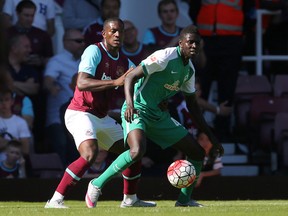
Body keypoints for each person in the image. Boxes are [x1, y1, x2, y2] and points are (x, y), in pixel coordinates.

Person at [85, 25, 224, 208]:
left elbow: (193, 106)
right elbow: (130, 77)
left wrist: (212, 137)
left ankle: (184, 201)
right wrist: (130, 104)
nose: (194, 46)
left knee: (197, 152)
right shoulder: (165, 56)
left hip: (159, 115)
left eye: (197, 43)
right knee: (137, 151)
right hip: (137, 109)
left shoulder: (189, 69)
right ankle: (96, 184)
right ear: (180, 43)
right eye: (190, 42)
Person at [44, 18, 156, 209]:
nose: (118, 35)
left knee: (133, 151)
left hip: (101, 116)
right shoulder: (93, 51)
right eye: (113, 31)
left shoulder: (124, 61)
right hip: (80, 112)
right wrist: (115, 82)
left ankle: (130, 199)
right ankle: (55, 200)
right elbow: (82, 83)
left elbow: (139, 83)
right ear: (104, 33)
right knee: (90, 153)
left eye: (120, 31)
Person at [189, 0, 254, 142]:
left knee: (227, 87)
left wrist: (243, 35)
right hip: (206, 41)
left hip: (231, 41)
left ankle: (222, 131)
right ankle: (198, 129)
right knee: (201, 85)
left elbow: (249, 12)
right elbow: (194, 9)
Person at [43, 28, 85, 165]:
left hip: (79, 115)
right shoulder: (56, 61)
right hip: (58, 118)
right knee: (62, 145)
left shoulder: (84, 61)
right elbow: (48, 79)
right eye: (78, 41)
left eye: (83, 41)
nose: (82, 44)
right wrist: (51, 87)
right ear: (66, 42)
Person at [0, 87, 32, 162]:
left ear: (12, 101)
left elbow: (25, 150)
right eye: (0, 100)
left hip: (15, 166)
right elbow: (20, 145)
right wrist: (14, 142)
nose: (4, 103)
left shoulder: (21, 122)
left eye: (7, 100)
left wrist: (4, 142)